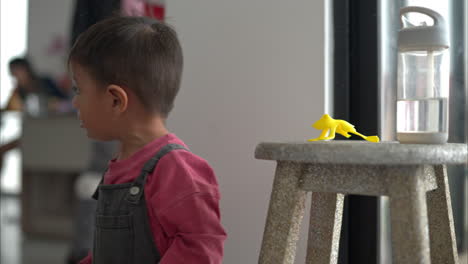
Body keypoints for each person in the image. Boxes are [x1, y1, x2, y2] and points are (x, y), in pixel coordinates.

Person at [69, 16, 227, 264]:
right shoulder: (119, 165)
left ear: (115, 100)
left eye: (79, 90)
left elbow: (201, 248)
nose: (75, 102)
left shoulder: (177, 170)